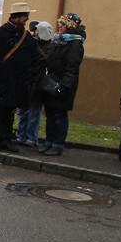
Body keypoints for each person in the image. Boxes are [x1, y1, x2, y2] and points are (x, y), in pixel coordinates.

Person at [0, 2, 40, 153]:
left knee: (10, 111)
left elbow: (34, 56)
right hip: (3, 79)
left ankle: (6, 139)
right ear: (17, 17)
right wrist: (3, 68)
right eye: (25, 16)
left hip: (18, 81)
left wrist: (28, 73)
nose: (27, 19)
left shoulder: (26, 36)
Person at [33, 13, 87, 156]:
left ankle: (57, 144)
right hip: (52, 83)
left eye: (63, 24)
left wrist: (64, 85)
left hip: (62, 86)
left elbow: (72, 67)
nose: (60, 26)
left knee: (59, 115)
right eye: (60, 24)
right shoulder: (59, 41)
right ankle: (49, 142)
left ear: (70, 26)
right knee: (51, 114)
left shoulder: (75, 44)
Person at [16, 21, 52, 147]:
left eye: (37, 30)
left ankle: (31, 137)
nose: (34, 32)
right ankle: (20, 136)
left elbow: (45, 60)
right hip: (27, 82)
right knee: (22, 112)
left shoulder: (49, 46)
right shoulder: (33, 44)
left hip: (37, 84)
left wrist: (34, 46)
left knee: (33, 113)